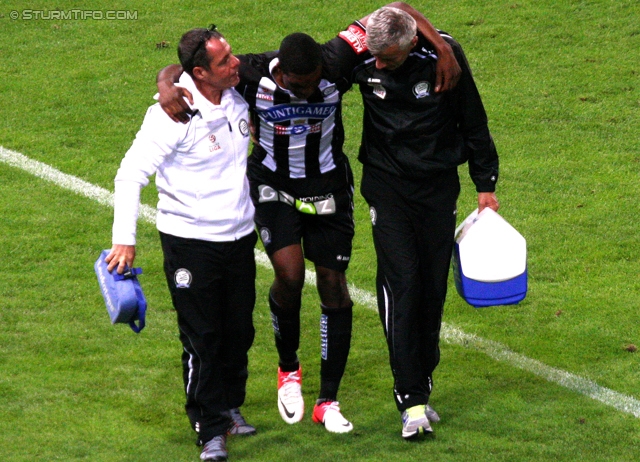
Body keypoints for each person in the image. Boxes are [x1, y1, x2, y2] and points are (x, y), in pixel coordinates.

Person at [156, 3, 461, 435]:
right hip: (274, 187)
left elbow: (393, 10)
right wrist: (166, 83)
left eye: (317, 81)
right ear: (281, 76)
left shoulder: (335, 60)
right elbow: (187, 67)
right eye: (301, 85)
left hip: (329, 186)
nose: (310, 88)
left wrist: (442, 49)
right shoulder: (251, 72)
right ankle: (289, 372)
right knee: (290, 274)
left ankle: (328, 399)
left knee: (335, 285)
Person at [333, 7, 500, 439]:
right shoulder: (363, 54)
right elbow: (304, 64)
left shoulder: (444, 58)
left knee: (432, 288)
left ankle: (422, 382)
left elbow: (473, 119)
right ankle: (411, 400)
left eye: (389, 58)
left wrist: (485, 184)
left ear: (411, 43)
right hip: (387, 189)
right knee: (402, 284)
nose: (380, 65)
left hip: (437, 186)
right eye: (376, 57)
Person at [106, 26, 257, 462]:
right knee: (202, 335)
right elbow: (129, 174)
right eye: (225, 61)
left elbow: (178, 69)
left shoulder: (234, 93)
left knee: (239, 329)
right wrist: (125, 241)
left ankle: (229, 405)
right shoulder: (172, 113)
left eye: (231, 54)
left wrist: (165, 74)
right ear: (198, 73)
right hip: (190, 242)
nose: (236, 64)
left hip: (239, 236)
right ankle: (208, 428)